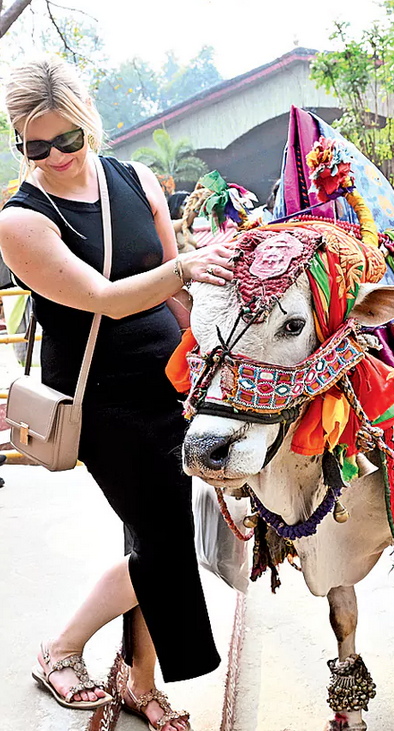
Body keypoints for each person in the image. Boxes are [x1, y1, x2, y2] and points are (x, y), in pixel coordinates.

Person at [0, 56, 236, 731]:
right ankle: (61, 649)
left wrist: (206, 367)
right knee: (164, 544)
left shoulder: (133, 181)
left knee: (155, 532)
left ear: (88, 123)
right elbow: (104, 297)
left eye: (67, 138)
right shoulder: (23, 220)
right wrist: (181, 266)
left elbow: (181, 296)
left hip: (170, 382)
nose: (56, 156)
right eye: (35, 146)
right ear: (21, 144)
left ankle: (138, 680)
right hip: (102, 401)